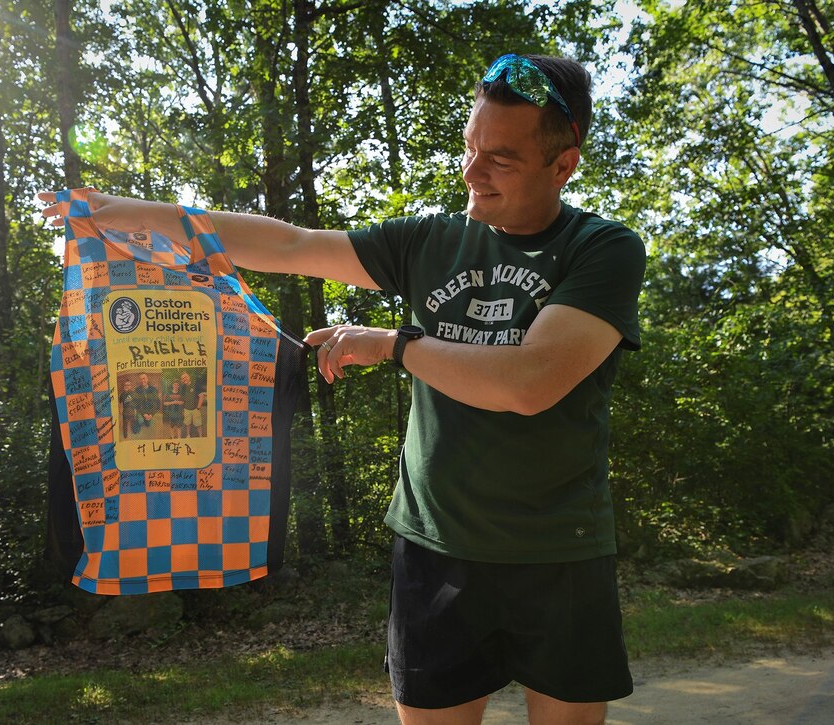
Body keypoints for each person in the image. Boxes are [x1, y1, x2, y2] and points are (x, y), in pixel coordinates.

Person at [42, 53, 644, 724]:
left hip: (559, 553)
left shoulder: (602, 249)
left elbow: (530, 382)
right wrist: (132, 214)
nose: (471, 173)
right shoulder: (429, 242)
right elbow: (294, 245)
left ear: (563, 165)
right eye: (470, 148)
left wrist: (391, 344)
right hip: (433, 548)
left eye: (499, 159)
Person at [177, 371, 206, 438]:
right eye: (183, 378)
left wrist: (198, 407)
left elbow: (201, 396)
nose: (184, 379)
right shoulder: (183, 387)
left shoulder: (195, 384)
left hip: (196, 409)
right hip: (186, 409)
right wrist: (183, 408)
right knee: (188, 424)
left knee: (198, 424)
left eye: (185, 377)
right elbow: (182, 398)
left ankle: (200, 436)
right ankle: (188, 435)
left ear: (189, 377)